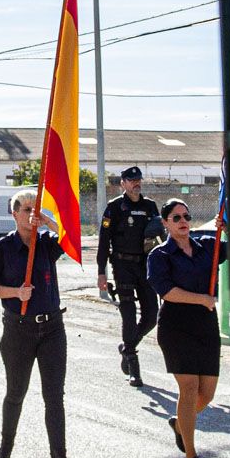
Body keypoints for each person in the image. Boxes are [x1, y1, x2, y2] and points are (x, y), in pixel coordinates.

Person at [0, 190, 83, 458]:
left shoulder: (47, 244)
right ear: (14, 214)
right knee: (16, 393)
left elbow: (70, 240)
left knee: (55, 398)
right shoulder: (2, 248)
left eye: (35, 208)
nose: (31, 214)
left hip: (52, 328)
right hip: (18, 329)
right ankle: (5, 451)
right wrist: (15, 292)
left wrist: (49, 221)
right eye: (26, 209)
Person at [146, 199, 228, 458]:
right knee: (189, 388)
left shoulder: (208, 246)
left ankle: (180, 424)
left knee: (207, 393)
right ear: (165, 223)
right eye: (176, 217)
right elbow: (167, 291)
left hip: (205, 325)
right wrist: (202, 298)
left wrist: (227, 229)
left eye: (186, 216)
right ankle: (192, 454)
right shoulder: (160, 255)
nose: (183, 221)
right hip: (176, 326)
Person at [97, 166, 163, 387]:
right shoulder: (115, 207)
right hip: (122, 265)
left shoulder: (150, 206)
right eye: (131, 180)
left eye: (138, 180)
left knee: (152, 316)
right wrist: (101, 273)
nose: (136, 183)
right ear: (123, 183)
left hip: (145, 266)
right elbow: (104, 242)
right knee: (128, 315)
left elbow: (161, 237)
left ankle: (127, 347)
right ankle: (134, 369)